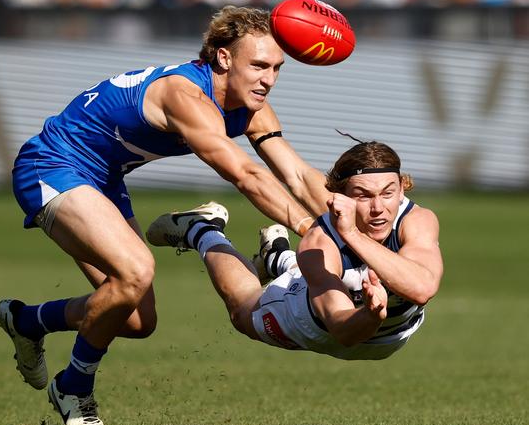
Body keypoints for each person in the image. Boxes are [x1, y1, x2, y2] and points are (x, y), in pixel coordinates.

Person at [0, 5, 331, 425]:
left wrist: (346, 228)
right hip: (52, 164)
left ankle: (27, 321)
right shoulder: (184, 95)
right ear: (224, 58)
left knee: (136, 320)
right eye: (260, 65)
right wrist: (310, 228)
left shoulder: (251, 105)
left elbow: (298, 175)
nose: (269, 78)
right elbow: (246, 175)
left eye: (277, 68)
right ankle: (73, 388)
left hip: (103, 178)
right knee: (135, 271)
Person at [146, 139, 443, 360]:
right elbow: (342, 332)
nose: (379, 208)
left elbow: (422, 287)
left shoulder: (417, 220)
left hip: (397, 334)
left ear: (402, 188)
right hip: (316, 328)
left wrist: (353, 234)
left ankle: (275, 256)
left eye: (388, 193)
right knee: (243, 313)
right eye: (363, 196)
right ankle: (203, 230)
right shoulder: (318, 242)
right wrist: (370, 315)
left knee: (331, 270)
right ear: (339, 197)